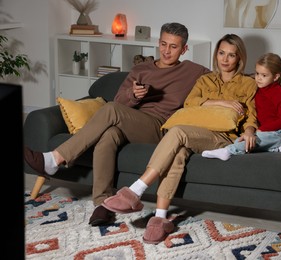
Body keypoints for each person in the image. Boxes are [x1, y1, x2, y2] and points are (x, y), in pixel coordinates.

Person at [24, 22, 210, 226]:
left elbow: (223, 82)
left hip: (158, 129)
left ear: (184, 49)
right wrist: (133, 95)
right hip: (131, 121)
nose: (167, 51)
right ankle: (102, 204)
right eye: (163, 44)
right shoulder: (141, 69)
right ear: (158, 43)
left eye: (173, 47)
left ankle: (55, 158)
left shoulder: (193, 71)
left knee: (112, 110)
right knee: (109, 134)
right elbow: (120, 100)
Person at [101, 33, 258, 244]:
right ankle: (159, 218)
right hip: (195, 133)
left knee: (177, 131)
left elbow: (252, 115)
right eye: (221, 53)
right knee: (177, 154)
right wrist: (222, 102)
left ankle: (135, 190)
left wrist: (249, 132)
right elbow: (190, 103)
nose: (225, 59)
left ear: (239, 59)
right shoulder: (205, 79)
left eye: (231, 55)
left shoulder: (248, 84)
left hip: (221, 137)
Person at [202, 52, 281, 161]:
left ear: (276, 77)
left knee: (249, 141)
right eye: (257, 73)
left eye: (264, 75)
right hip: (265, 133)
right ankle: (278, 149)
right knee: (240, 140)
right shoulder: (257, 89)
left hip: (278, 134)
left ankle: (227, 151)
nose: (259, 78)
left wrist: (261, 129)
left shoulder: (279, 93)